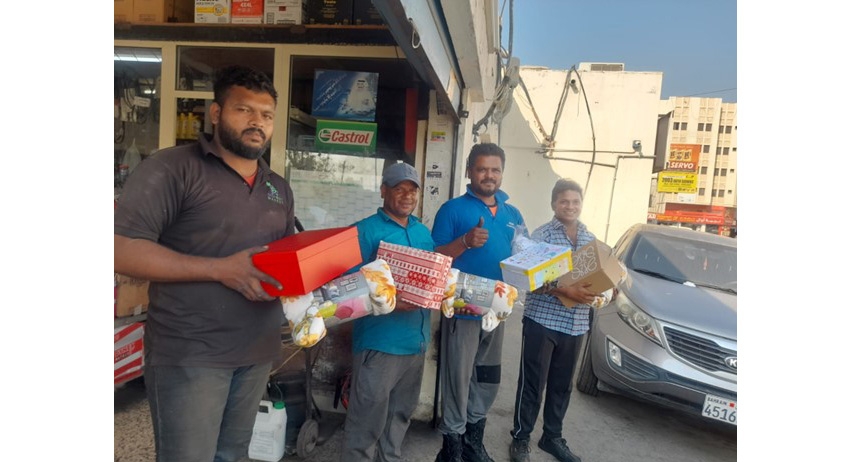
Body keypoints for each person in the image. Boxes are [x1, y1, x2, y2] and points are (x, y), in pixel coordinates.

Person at [114, 65, 295, 462]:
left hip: (256, 349)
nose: (257, 123)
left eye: (266, 115)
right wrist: (219, 269)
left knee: (231, 456)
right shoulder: (172, 168)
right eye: (244, 110)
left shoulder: (277, 187)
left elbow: (285, 261)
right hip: (190, 352)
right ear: (216, 113)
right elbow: (121, 249)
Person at [431, 143, 526, 462]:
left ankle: (473, 443)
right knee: (458, 378)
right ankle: (452, 448)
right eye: (482, 169)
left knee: (487, 376)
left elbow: (523, 256)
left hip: (498, 306)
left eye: (495, 169)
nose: (489, 175)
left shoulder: (513, 214)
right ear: (470, 171)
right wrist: (464, 242)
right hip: (463, 305)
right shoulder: (452, 209)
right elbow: (435, 258)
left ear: (502, 173)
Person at [340, 162, 436, 462]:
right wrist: (390, 301)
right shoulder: (364, 230)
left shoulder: (422, 231)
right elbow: (346, 287)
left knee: (399, 419)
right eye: (399, 189)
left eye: (413, 190)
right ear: (383, 191)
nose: (407, 196)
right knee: (365, 423)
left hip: (416, 343)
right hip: (380, 345)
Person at [508, 179, 599, 462]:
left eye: (575, 202)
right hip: (542, 320)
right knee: (533, 384)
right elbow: (531, 279)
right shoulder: (541, 236)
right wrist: (565, 290)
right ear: (553, 204)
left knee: (562, 385)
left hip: (576, 323)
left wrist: (606, 289)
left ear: (581, 204)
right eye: (564, 201)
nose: (570, 206)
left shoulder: (589, 239)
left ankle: (552, 436)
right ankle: (521, 437)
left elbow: (595, 277)